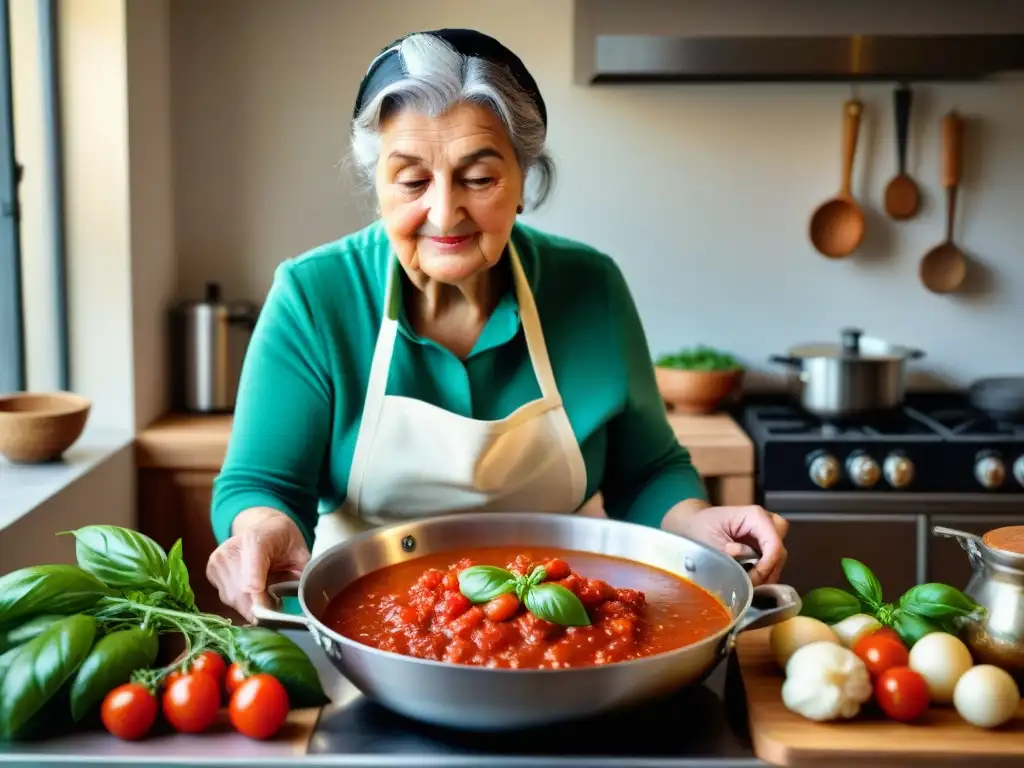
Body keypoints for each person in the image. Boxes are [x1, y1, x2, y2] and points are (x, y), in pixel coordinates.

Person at [206, 28, 788, 622]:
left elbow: (646, 470)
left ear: (521, 179)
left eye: (478, 178)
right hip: (364, 628)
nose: (444, 211)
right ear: (376, 185)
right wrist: (263, 527)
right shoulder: (314, 295)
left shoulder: (590, 287)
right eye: (411, 180)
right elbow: (262, 482)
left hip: (555, 624)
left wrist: (696, 520)